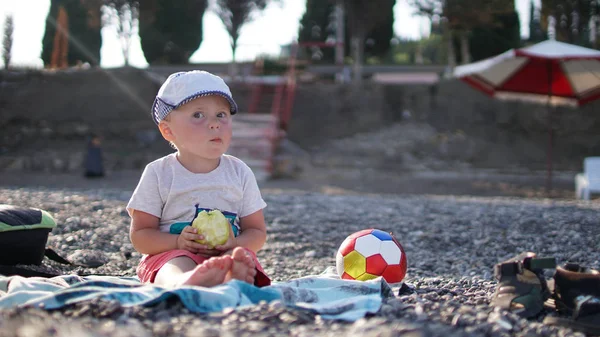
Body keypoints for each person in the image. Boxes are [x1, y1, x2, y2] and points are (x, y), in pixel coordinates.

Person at [127, 70, 270, 288]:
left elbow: (257, 232)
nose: (214, 124)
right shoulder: (159, 173)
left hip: (224, 253)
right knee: (173, 263)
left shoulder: (240, 172)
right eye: (198, 115)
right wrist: (177, 241)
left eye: (221, 115)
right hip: (173, 253)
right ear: (168, 130)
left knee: (240, 255)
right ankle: (183, 281)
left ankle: (232, 275)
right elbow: (140, 236)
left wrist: (237, 242)